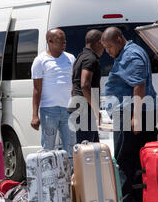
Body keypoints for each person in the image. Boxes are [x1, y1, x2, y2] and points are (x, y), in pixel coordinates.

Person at [101, 27, 158, 202]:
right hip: (135, 112)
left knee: (125, 159)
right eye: (105, 48)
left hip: (133, 113)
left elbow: (138, 87)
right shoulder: (127, 53)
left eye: (109, 46)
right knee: (137, 159)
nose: (108, 51)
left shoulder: (131, 55)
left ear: (119, 39)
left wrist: (135, 118)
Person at [31, 28, 76, 170]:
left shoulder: (70, 58)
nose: (64, 43)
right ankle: (48, 179)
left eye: (65, 40)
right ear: (49, 41)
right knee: (48, 148)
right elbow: (37, 89)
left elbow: (74, 84)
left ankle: (71, 180)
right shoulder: (40, 61)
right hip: (49, 110)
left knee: (71, 147)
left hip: (68, 109)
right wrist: (34, 115)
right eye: (60, 40)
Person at [71, 29, 104, 143]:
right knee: (86, 150)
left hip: (80, 107)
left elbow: (74, 86)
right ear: (98, 42)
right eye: (103, 44)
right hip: (85, 109)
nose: (104, 48)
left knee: (94, 147)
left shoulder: (80, 57)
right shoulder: (91, 59)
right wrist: (96, 110)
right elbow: (85, 85)